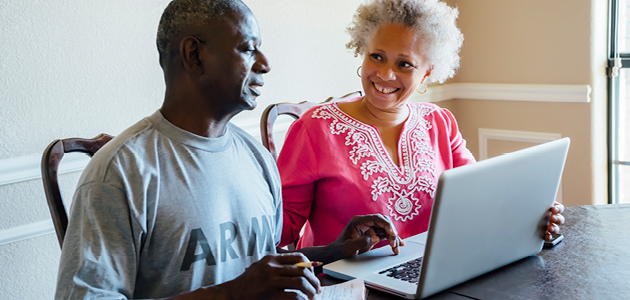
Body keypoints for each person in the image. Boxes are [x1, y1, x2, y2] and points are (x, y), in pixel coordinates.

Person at [54, 1, 403, 299]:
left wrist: (333, 251)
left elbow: (259, 267)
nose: (265, 64)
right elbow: (243, 285)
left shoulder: (257, 158)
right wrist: (234, 294)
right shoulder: (120, 173)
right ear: (194, 55)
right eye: (248, 49)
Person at [278, 0, 565, 250]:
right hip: (343, 281)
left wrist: (532, 217)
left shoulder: (438, 122)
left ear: (427, 73)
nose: (385, 74)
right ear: (362, 52)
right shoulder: (316, 128)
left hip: (430, 271)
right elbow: (281, 226)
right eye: (376, 56)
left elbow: (479, 200)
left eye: (405, 64)